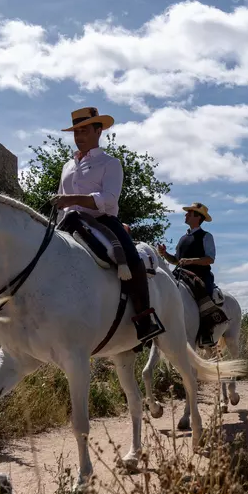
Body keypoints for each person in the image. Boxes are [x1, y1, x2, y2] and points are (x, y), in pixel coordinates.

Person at [51, 106, 164, 345]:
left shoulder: (110, 163)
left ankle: (144, 319)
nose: (79, 136)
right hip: (68, 222)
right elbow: (61, 201)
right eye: (76, 132)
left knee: (131, 257)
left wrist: (71, 200)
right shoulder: (67, 166)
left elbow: (109, 199)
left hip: (102, 221)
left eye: (84, 130)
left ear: (98, 131)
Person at [157, 202, 224, 346]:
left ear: (197, 217)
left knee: (205, 297)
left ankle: (207, 331)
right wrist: (165, 254)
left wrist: (190, 261)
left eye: (189, 213)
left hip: (200, 275)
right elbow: (176, 260)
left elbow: (210, 259)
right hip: (181, 274)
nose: (186, 215)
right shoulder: (183, 238)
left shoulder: (206, 236)